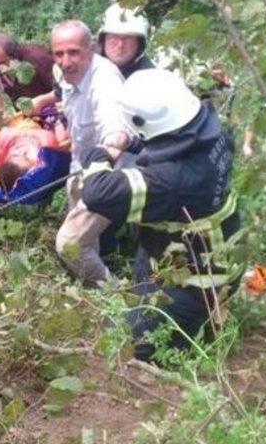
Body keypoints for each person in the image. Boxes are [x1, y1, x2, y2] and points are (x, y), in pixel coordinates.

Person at [80, 68, 242, 362]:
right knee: (144, 265)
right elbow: (172, 143)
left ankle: (193, 325)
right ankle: (159, 302)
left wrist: (96, 158)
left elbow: (98, 193)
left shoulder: (171, 181)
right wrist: (133, 143)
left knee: (127, 344)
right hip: (201, 251)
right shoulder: (212, 127)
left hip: (198, 285)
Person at [31, 19, 128, 285]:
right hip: (80, 161)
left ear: (92, 49)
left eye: (74, 52)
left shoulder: (105, 83)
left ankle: (115, 295)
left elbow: (116, 133)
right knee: (85, 240)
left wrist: (109, 149)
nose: (65, 61)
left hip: (110, 173)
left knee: (70, 244)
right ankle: (93, 285)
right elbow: (66, 101)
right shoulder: (62, 72)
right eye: (58, 53)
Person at [0, 114, 70, 192]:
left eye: (16, 154)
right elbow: (53, 144)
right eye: (26, 157)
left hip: (27, 120)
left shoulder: (1, 150)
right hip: (49, 125)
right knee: (62, 136)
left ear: (5, 160)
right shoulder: (43, 156)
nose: (22, 151)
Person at [0, 32, 54, 101]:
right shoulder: (2, 72)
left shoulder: (37, 58)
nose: (1, 69)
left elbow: (60, 90)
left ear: (14, 55)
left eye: (2, 63)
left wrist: (42, 101)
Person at [97, 2, 154, 79]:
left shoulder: (150, 78)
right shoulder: (86, 69)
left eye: (128, 38)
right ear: (103, 40)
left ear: (139, 44)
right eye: (114, 37)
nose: (120, 44)